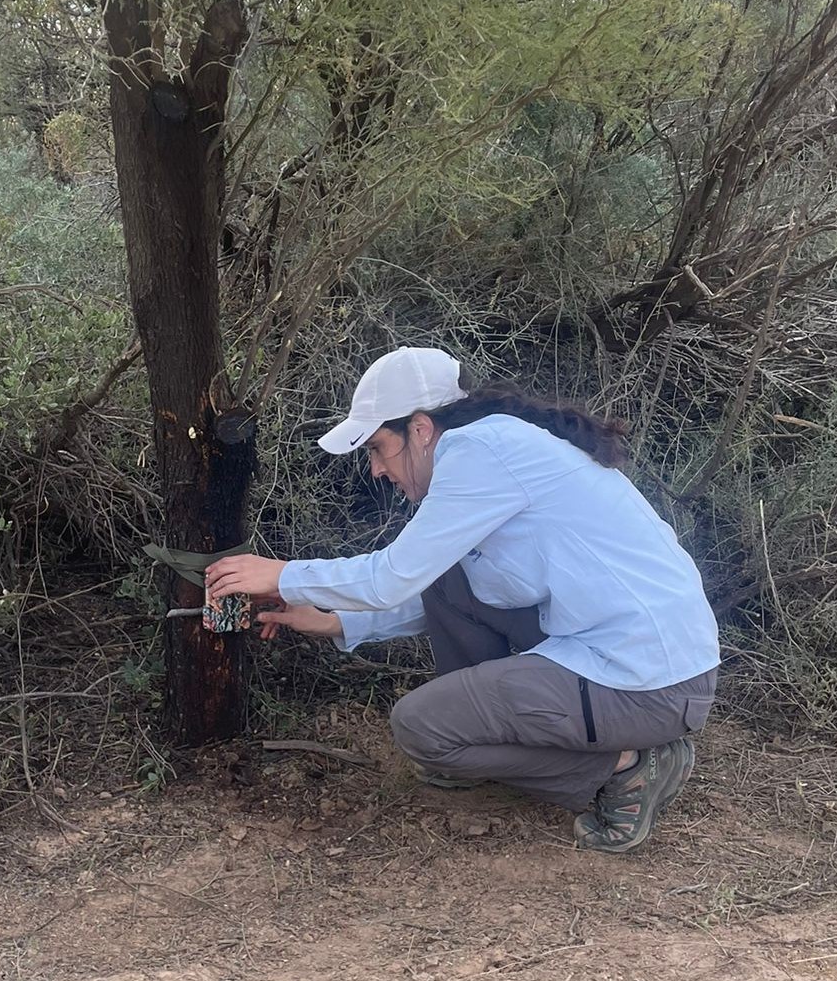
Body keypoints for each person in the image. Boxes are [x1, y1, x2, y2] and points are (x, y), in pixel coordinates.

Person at [205, 347, 720, 853]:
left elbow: (392, 575)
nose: (377, 469)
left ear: (421, 429)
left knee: (420, 728)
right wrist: (337, 621)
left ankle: (627, 769)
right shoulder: (497, 449)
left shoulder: (477, 451)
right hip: (649, 663)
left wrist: (280, 574)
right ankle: (478, 737)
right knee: (447, 580)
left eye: (378, 448)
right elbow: (443, 587)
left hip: (645, 680)